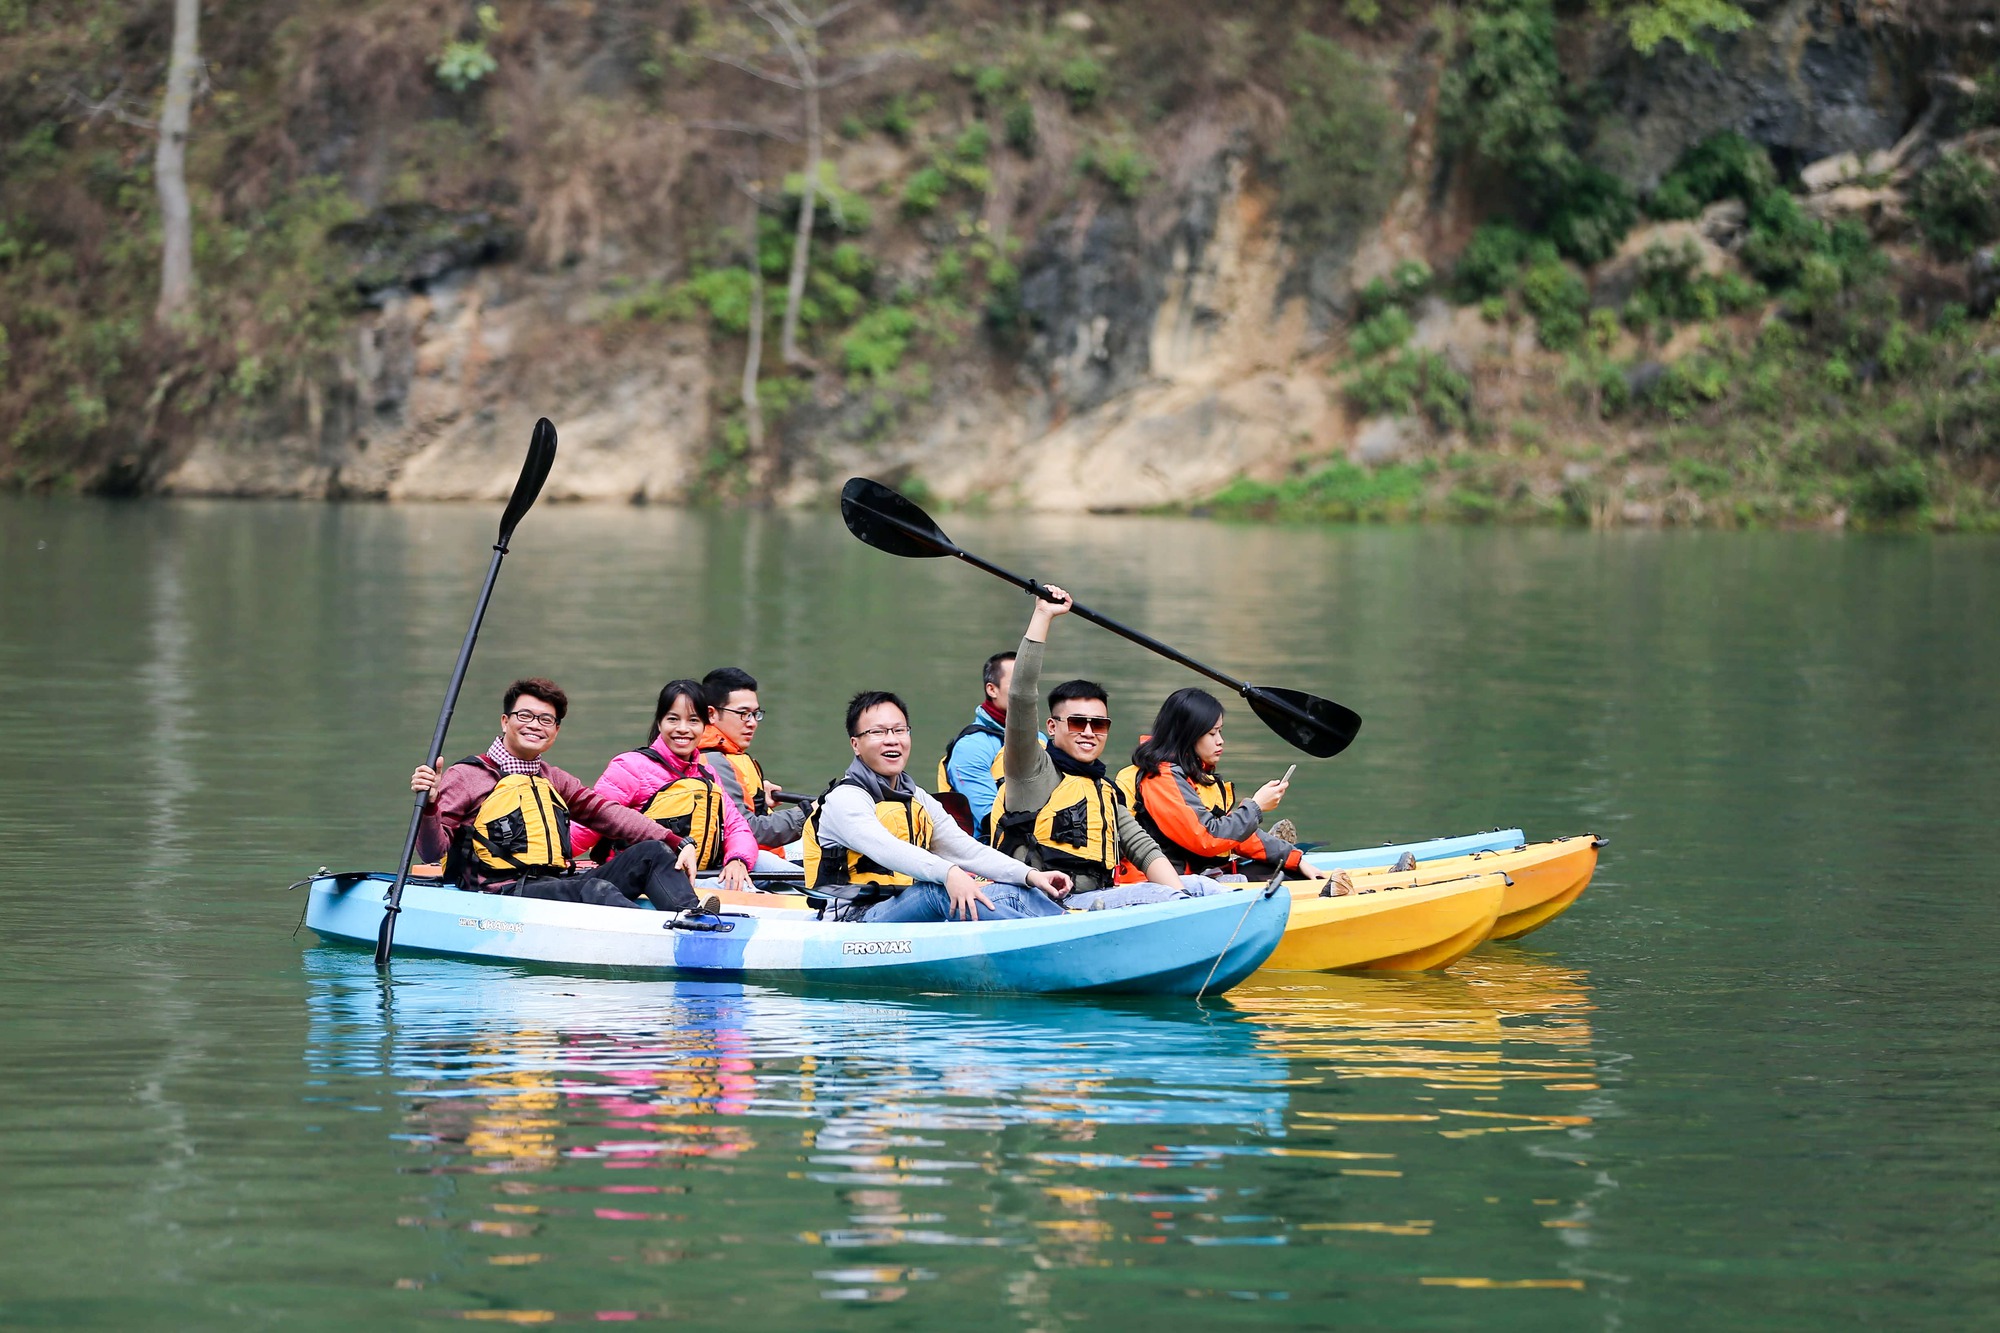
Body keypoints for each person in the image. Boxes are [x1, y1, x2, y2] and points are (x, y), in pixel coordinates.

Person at [993, 587, 1225, 910]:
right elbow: (1020, 695)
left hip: (1094, 903)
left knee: (1202, 886)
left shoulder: (1102, 790)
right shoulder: (1029, 770)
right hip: (1046, 904)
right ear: (1052, 727)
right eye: (1077, 722)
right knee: (1167, 896)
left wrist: (1183, 899)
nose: (1089, 732)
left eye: (1099, 724)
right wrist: (1043, 615)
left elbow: (1143, 849)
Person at [411, 677, 711, 919]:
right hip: (502, 894)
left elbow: (609, 813)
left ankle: (691, 919)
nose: (534, 725)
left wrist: (676, 842)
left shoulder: (552, 778)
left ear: (555, 730)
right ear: (505, 721)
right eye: (525, 716)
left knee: (653, 852)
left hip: (554, 883)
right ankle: (653, 938)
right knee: (594, 890)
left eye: (546, 719)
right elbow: (430, 853)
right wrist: (430, 806)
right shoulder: (467, 776)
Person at [803, 690, 1072, 922]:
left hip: (901, 906)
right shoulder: (845, 799)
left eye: (899, 730)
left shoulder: (916, 797)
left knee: (1014, 890)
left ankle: (1068, 927)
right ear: (856, 744)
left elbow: (967, 851)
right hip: (853, 919)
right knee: (936, 890)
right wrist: (948, 872)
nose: (892, 739)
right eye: (878, 732)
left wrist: (1030, 875)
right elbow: (887, 849)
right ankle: (1031, 940)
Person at [1120, 686, 1351, 893]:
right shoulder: (1160, 777)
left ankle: (1286, 851)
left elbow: (1237, 836)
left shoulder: (1195, 775)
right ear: (1186, 736)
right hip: (1162, 887)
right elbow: (1207, 837)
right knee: (1286, 882)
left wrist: (1295, 859)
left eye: (1220, 731)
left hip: (1203, 875)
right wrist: (1256, 807)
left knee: (1292, 873)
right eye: (1212, 733)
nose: (1220, 741)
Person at [573, 679, 762, 892]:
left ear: (705, 725)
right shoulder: (631, 767)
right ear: (660, 722)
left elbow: (737, 826)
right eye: (673, 719)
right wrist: (546, 856)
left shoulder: (707, 774)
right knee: (744, 889)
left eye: (693, 720)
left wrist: (737, 860)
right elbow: (589, 822)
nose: (683, 729)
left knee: (763, 861)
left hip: (701, 870)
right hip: (646, 877)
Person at [698, 666, 806, 867]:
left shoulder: (730, 754)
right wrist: (809, 813)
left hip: (761, 852)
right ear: (711, 714)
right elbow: (749, 830)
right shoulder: (712, 761)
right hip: (740, 860)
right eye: (743, 714)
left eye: (756, 714)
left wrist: (758, 800)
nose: (752, 723)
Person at [936, 650, 1043, 838]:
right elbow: (990, 820)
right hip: (990, 855)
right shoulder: (971, 747)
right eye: (1018, 683)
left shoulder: (1040, 739)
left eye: (1030, 684)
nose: (1026, 691)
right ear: (992, 689)